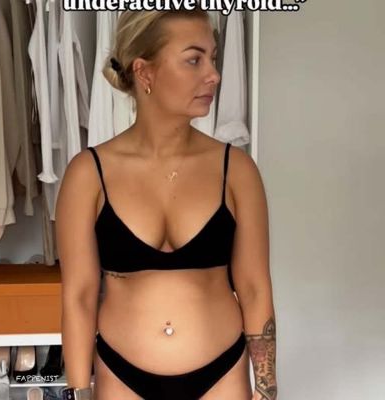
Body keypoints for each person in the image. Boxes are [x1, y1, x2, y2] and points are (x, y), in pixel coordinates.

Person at [55, 7, 277, 400]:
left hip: (221, 377)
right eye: (194, 59)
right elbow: (79, 296)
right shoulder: (88, 174)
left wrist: (267, 392)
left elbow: (255, 289)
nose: (213, 74)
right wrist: (77, 392)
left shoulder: (237, 170)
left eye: (213, 58)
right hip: (122, 378)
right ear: (144, 73)